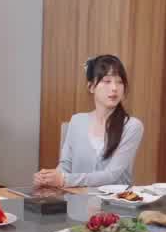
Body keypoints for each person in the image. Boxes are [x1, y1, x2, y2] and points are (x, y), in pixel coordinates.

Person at [34, 54, 144, 191]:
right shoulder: (77, 121)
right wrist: (48, 178)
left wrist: (64, 179)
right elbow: (65, 165)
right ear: (91, 87)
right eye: (107, 81)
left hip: (114, 202)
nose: (114, 88)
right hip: (77, 201)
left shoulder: (132, 126)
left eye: (120, 82)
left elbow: (111, 175)